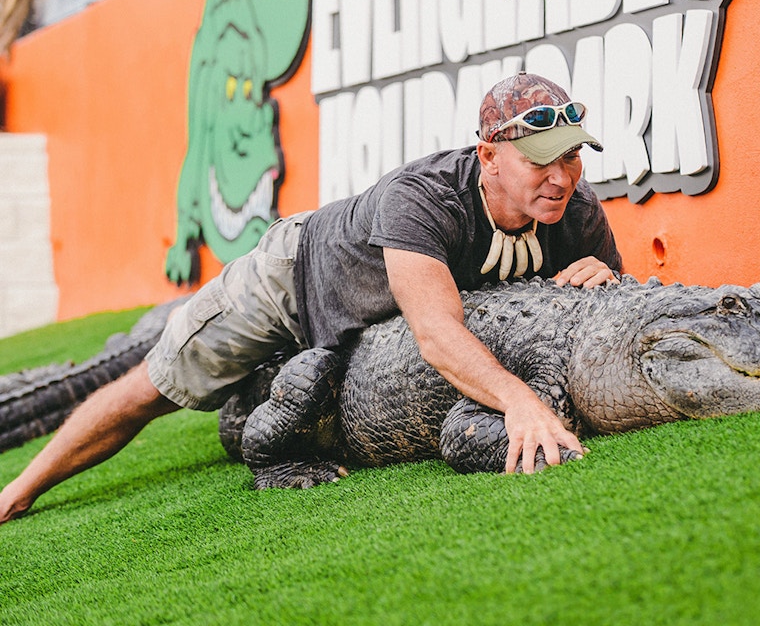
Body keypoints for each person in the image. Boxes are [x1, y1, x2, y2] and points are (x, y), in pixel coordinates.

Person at [0, 72, 622, 524]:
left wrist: (606, 278)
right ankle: (21, 488)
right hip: (291, 284)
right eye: (540, 159)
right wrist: (520, 402)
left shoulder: (574, 211)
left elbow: (601, 309)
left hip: (363, 334)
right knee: (152, 390)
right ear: (486, 156)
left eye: (571, 156)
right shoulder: (425, 199)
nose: (561, 177)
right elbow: (436, 334)